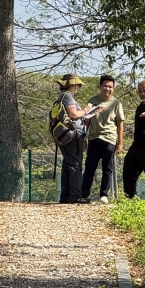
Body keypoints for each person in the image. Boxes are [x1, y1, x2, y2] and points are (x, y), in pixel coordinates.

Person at [81, 75, 124, 204]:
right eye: (105, 86)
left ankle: (104, 194)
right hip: (94, 138)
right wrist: (84, 137)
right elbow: (87, 120)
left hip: (109, 139)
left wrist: (120, 143)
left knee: (108, 168)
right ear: (100, 86)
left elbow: (120, 124)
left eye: (110, 87)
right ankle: (84, 195)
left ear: (114, 88)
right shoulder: (93, 100)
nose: (107, 89)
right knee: (89, 167)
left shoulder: (116, 103)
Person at [54, 73, 98, 203]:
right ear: (70, 85)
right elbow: (74, 114)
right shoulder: (67, 96)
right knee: (74, 164)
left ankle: (66, 196)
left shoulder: (62, 96)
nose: (78, 87)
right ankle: (75, 196)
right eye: (76, 84)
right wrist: (87, 110)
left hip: (68, 135)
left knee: (68, 164)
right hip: (72, 135)